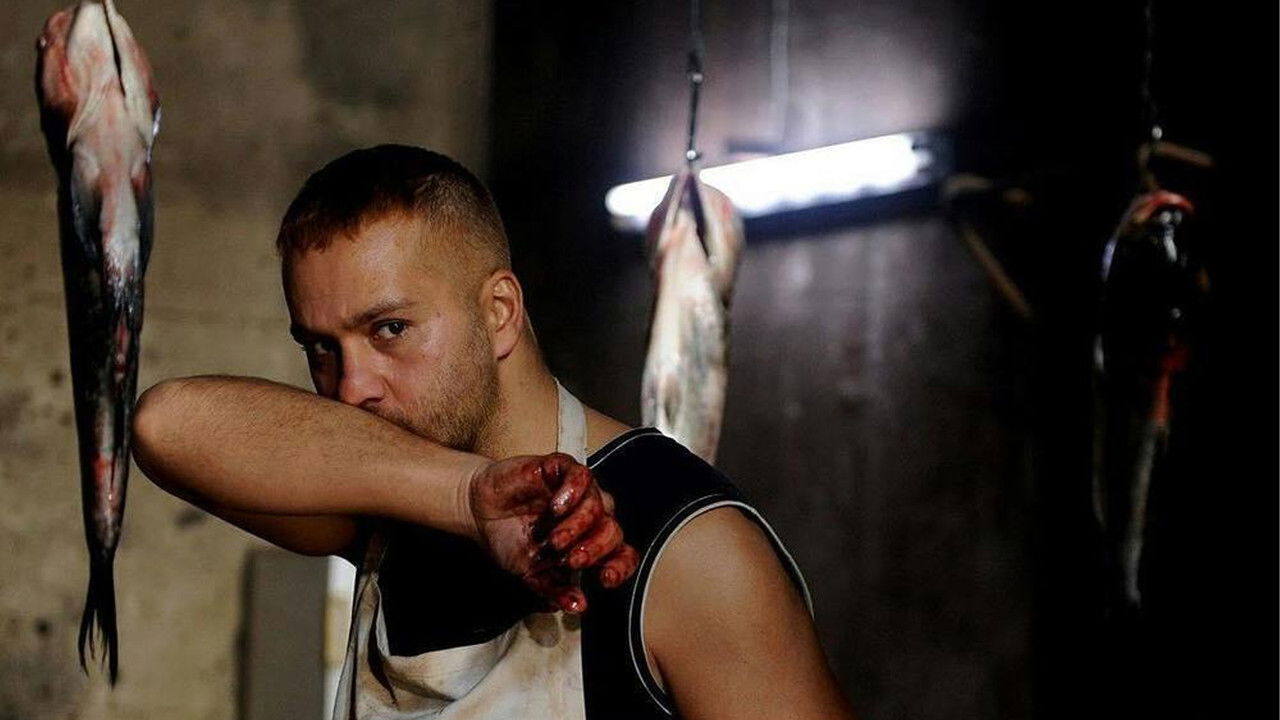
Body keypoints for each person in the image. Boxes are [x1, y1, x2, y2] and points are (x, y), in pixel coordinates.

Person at [132, 145, 854, 719]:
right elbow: (165, 426)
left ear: (500, 313)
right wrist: (466, 494)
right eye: (321, 347)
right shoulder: (393, 505)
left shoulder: (687, 546)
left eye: (390, 329)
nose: (351, 388)